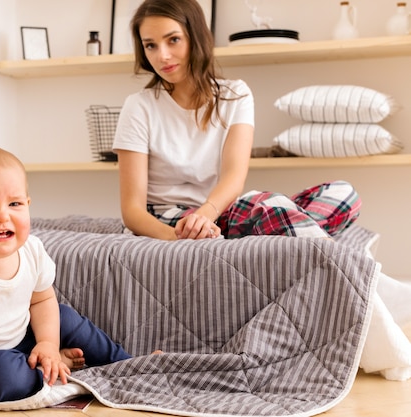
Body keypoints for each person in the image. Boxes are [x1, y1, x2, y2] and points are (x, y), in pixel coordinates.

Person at [113, 0, 361, 241]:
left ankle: (279, 227)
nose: (163, 55)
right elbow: (133, 212)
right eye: (150, 46)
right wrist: (179, 238)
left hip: (217, 211)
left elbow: (234, 178)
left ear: (195, 36)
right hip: (169, 218)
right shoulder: (138, 106)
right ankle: (338, 260)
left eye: (173, 40)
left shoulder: (236, 94)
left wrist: (205, 217)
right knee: (271, 208)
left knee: (343, 194)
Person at [0, 145, 132, 417]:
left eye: (14, 204)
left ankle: (126, 363)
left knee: (63, 316)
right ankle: (43, 370)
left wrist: (48, 344)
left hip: (18, 338)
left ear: (28, 205)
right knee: (5, 376)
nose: (2, 216)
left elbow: (42, 299)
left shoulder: (32, 250)